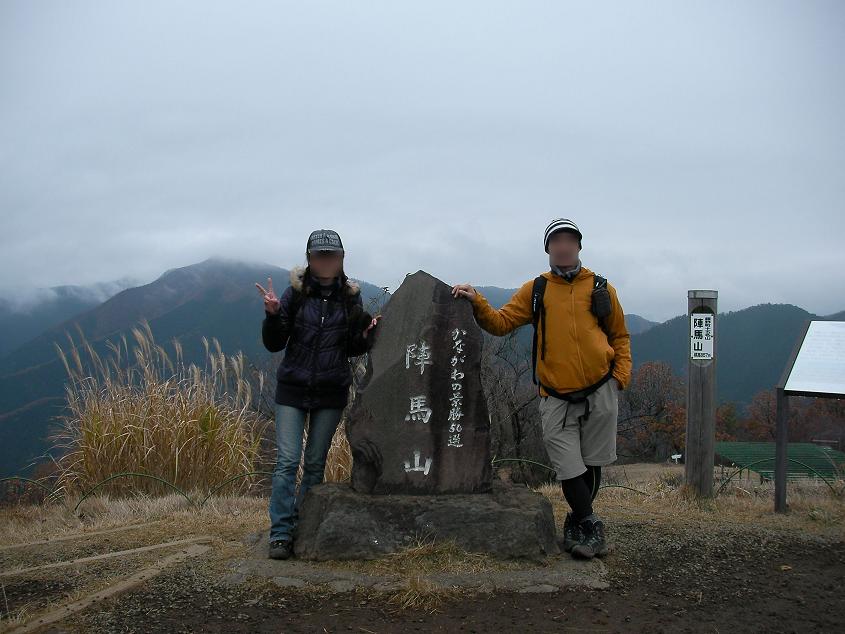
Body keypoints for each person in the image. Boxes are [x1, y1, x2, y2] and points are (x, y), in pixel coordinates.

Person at [451, 218, 631, 559]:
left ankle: (577, 524)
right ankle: (592, 525)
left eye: (569, 241)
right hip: (556, 394)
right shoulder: (537, 289)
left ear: (579, 246)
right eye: (556, 242)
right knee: (568, 465)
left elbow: (619, 336)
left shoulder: (600, 288)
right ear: (548, 249)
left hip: (600, 389)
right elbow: (501, 323)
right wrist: (477, 301)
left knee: (592, 462)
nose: (563, 247)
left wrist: (620, 376)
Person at [256, 229, 380, 560]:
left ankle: (304, 526)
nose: (326, 262)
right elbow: (274, 343)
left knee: (314, 463)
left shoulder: (350, 298)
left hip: (330, 390)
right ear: (309, 259)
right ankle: (281, 533)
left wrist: (367, 335)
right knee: (286, 461)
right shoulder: (294, 294)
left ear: (341, 259)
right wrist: (272, 315)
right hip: (292, 389)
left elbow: (350, 347)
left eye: (332, 256)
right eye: (319, 256)